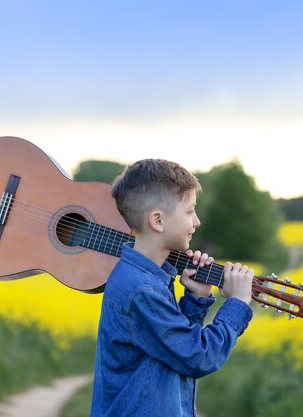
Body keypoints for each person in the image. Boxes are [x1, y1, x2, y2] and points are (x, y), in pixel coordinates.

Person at [90, 159, 254, 417]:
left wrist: (196, 299)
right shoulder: (140, 289)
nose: (197, 221)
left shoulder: (146, 279)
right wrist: (238, 303)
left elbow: (170, 349)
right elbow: (197, 356)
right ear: (158, 220)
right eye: (189, 212)